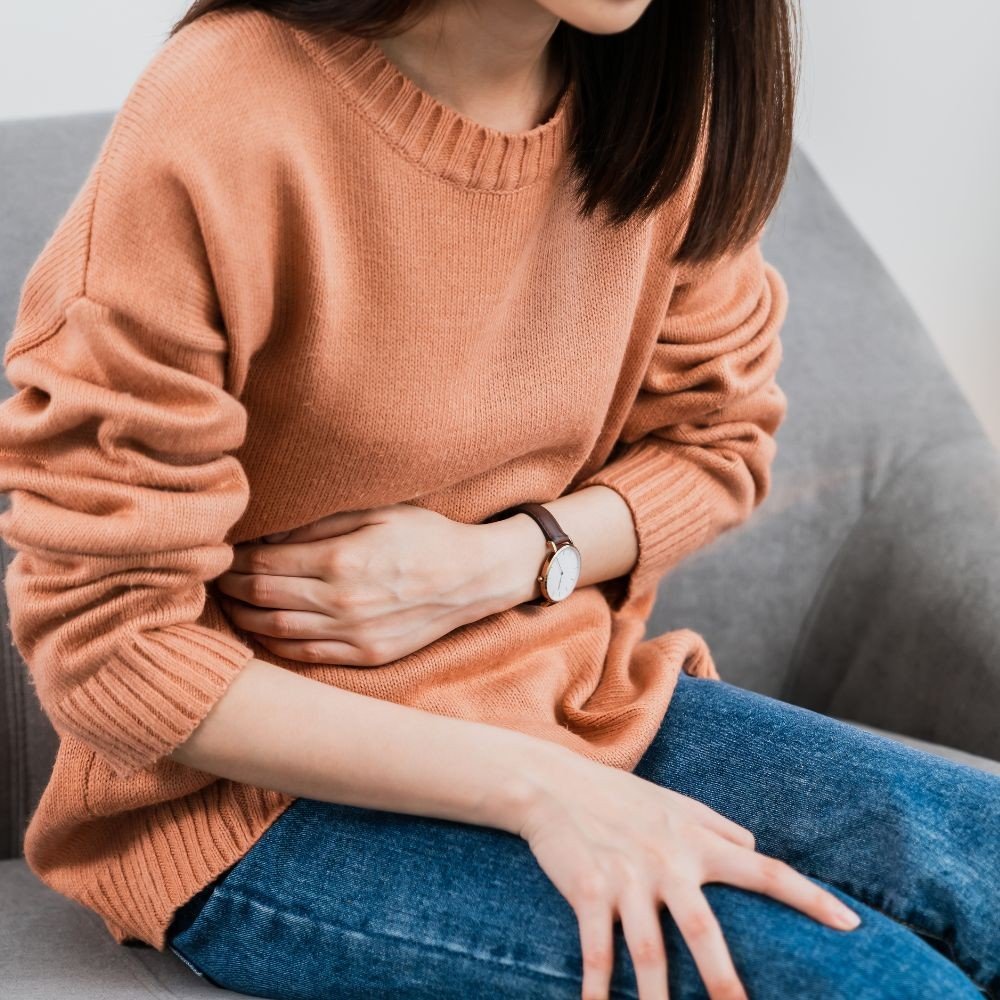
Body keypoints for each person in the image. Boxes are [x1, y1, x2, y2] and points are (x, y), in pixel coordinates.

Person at [0, 1, 996, 998]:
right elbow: (111, 646)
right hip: (253, 807)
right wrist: (543, 789)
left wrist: (503, 559)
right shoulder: (225, 108)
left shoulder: (658, 103)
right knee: (875, 980)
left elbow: (717, 442)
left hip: (574, 705)